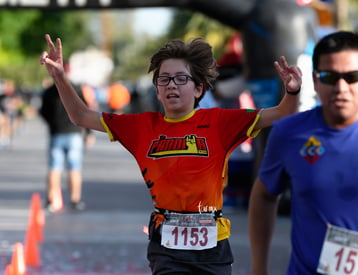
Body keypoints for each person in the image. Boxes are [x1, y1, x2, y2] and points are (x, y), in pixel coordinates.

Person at [40, 34, 301, 274]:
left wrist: (292, 91)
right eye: (163, 79)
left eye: (180, 78)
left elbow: (282, 113)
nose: (171, 85)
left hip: (213, 248)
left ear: (199, 89)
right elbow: (81, 116)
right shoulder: (141, 126)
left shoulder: (221, 122)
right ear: (157, 89)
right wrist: (60, 77)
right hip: (166, 249)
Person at [248, 30, 358, 275]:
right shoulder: (289, 133)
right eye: (329, 76)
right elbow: (263, 196)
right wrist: (259, 269)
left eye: (353, 76)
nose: (341, 87)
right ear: (315, 81)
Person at [39, 61, 94, 212]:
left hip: (56, 133)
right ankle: (75, 200)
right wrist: (88, 133)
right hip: (74, 134)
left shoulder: (49, 91)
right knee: (74, 168)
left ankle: (51, 200)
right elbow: (85, 111)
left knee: (54, 168)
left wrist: (52, 123)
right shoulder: (76, 89)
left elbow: (42, 112)